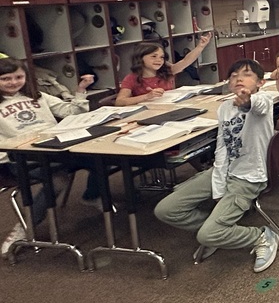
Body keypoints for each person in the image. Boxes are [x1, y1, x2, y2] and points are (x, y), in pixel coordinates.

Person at [153, 58, 279, 272]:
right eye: (233, 76)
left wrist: (247, 101)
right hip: (224, 170)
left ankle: (261, 236)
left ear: (260, 82)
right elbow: (222, 147)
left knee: (207, 235)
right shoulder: (224, 108)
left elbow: (257, 105)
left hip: (249, 176)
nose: (239, 78)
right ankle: (220, 230)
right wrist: (219, 184)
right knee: (166, 210)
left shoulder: (263, 100)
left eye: (247, 74)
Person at [1, 58, 93, 255]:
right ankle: (25, 227)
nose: (13, 82)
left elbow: (71, 112)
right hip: (20, 157)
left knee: (100, 158)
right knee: (58, 180)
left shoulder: (38, 96)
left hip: (54, 149)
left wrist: (81, 90)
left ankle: (93, 195)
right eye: (5, 78)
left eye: (18, 77)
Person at [114, 34, 212, 105]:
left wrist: (200, 46)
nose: (159, 60)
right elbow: (119, 101)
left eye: (162, 57)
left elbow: (186, 61)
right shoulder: (131, 78)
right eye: (154, 56)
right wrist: (147, 96)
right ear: (140, 58)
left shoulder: (167, 71)